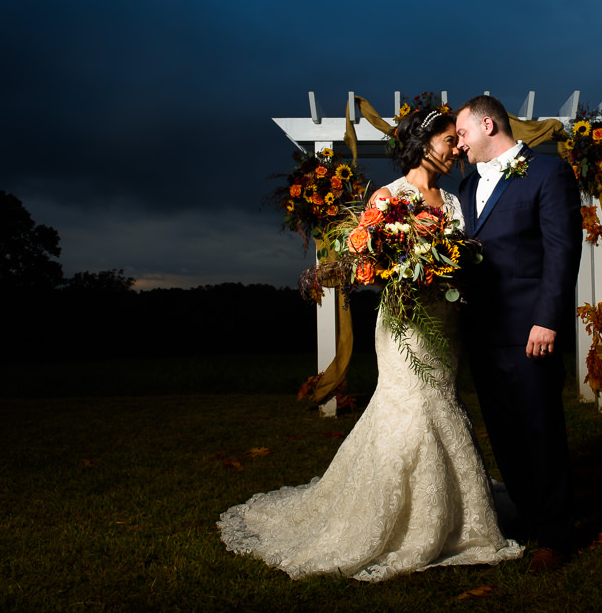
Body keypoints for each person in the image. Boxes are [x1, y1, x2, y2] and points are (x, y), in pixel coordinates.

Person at [218, 108, 523, 581]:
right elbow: (365, 264)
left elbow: (468, 257)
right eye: (448, 139)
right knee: (410, 406)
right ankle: (398, 520)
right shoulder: (389, 197)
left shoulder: (456, 200)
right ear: (424, 144)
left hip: (445, 320)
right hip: (405, 322)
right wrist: (396, 264)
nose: (457, 148)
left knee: (440, 399)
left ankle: (453, 516)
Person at [454, 94, 582, 573]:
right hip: (483, 331)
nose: (459, 144)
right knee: (504, 432)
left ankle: (555, 533)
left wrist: (547, 318)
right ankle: (529, 518)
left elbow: (562, 252)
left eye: (463, 134)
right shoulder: (466, 188)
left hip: (531, 329)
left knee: (540, 428)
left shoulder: (548, 173)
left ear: (489, 125)